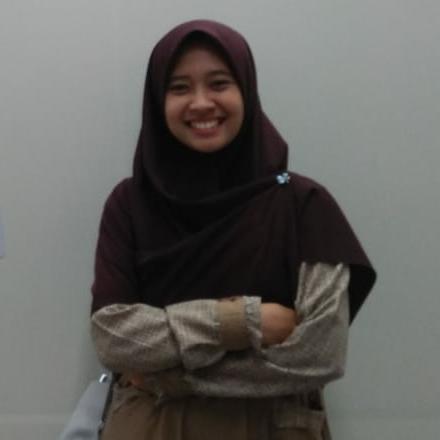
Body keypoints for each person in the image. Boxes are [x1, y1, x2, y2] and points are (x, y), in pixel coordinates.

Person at [90, 19, 376, 440]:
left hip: (270, 426)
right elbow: (114, 339)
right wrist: (243, 320)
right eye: (179, 88)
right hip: (152, 426)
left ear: (246, 89)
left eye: (219, 83)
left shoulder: (303, 205)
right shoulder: (130, 204)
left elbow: (319, 355)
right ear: (157, 101)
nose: (201, 102)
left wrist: (171, 376)